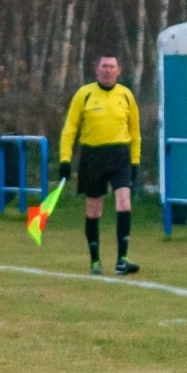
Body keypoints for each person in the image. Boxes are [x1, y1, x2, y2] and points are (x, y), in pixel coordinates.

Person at [59, 53, 142, 276]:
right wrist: (65, 159)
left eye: (111, 66)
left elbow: (135, 132)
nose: (107, 70)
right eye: (103, 66)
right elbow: (70, 129)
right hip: (92, 156)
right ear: (97, 70)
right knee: (94, 209)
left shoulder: (126, 95)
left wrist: (135, 160)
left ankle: (122, 259)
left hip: (120, 154)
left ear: (118, 70)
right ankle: (95, 260)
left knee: (124, 203)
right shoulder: (84, 94)